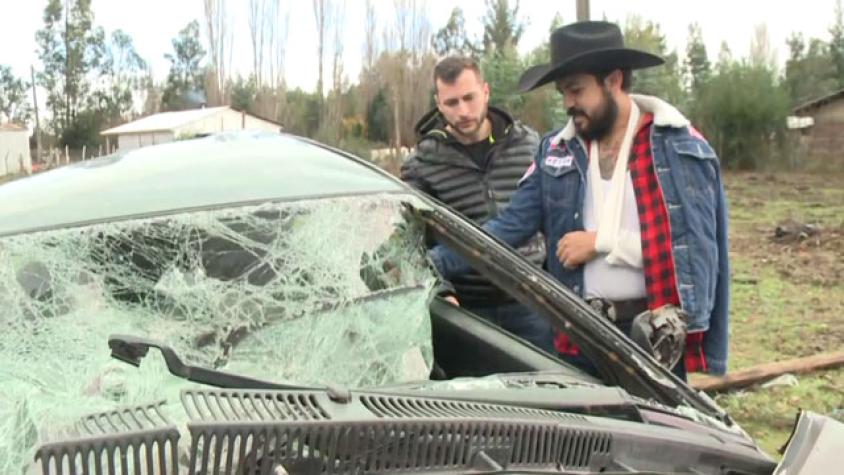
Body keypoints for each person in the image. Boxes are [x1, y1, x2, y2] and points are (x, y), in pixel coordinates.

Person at [429, 22, 730, 379]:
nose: (568, 103)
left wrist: (603, 242)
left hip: (652, 339)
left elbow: (696, 259)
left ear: (614, 80)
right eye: (563, 93)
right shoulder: (558, 152)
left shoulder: (679, 149)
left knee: (651, 433)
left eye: (576, 90)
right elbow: (508, 226)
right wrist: (433, 262)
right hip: (579, 337)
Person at [401, 56, 555, 353]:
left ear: (485, 91)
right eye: (451, 103)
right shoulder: (422, 164)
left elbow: (551, 218)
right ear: (438, 103)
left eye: (469, 98)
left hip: (532, 305)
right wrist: (441, 290)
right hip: (467, 310)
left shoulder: (528, 146)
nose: (463, 111)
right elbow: (410, 240)